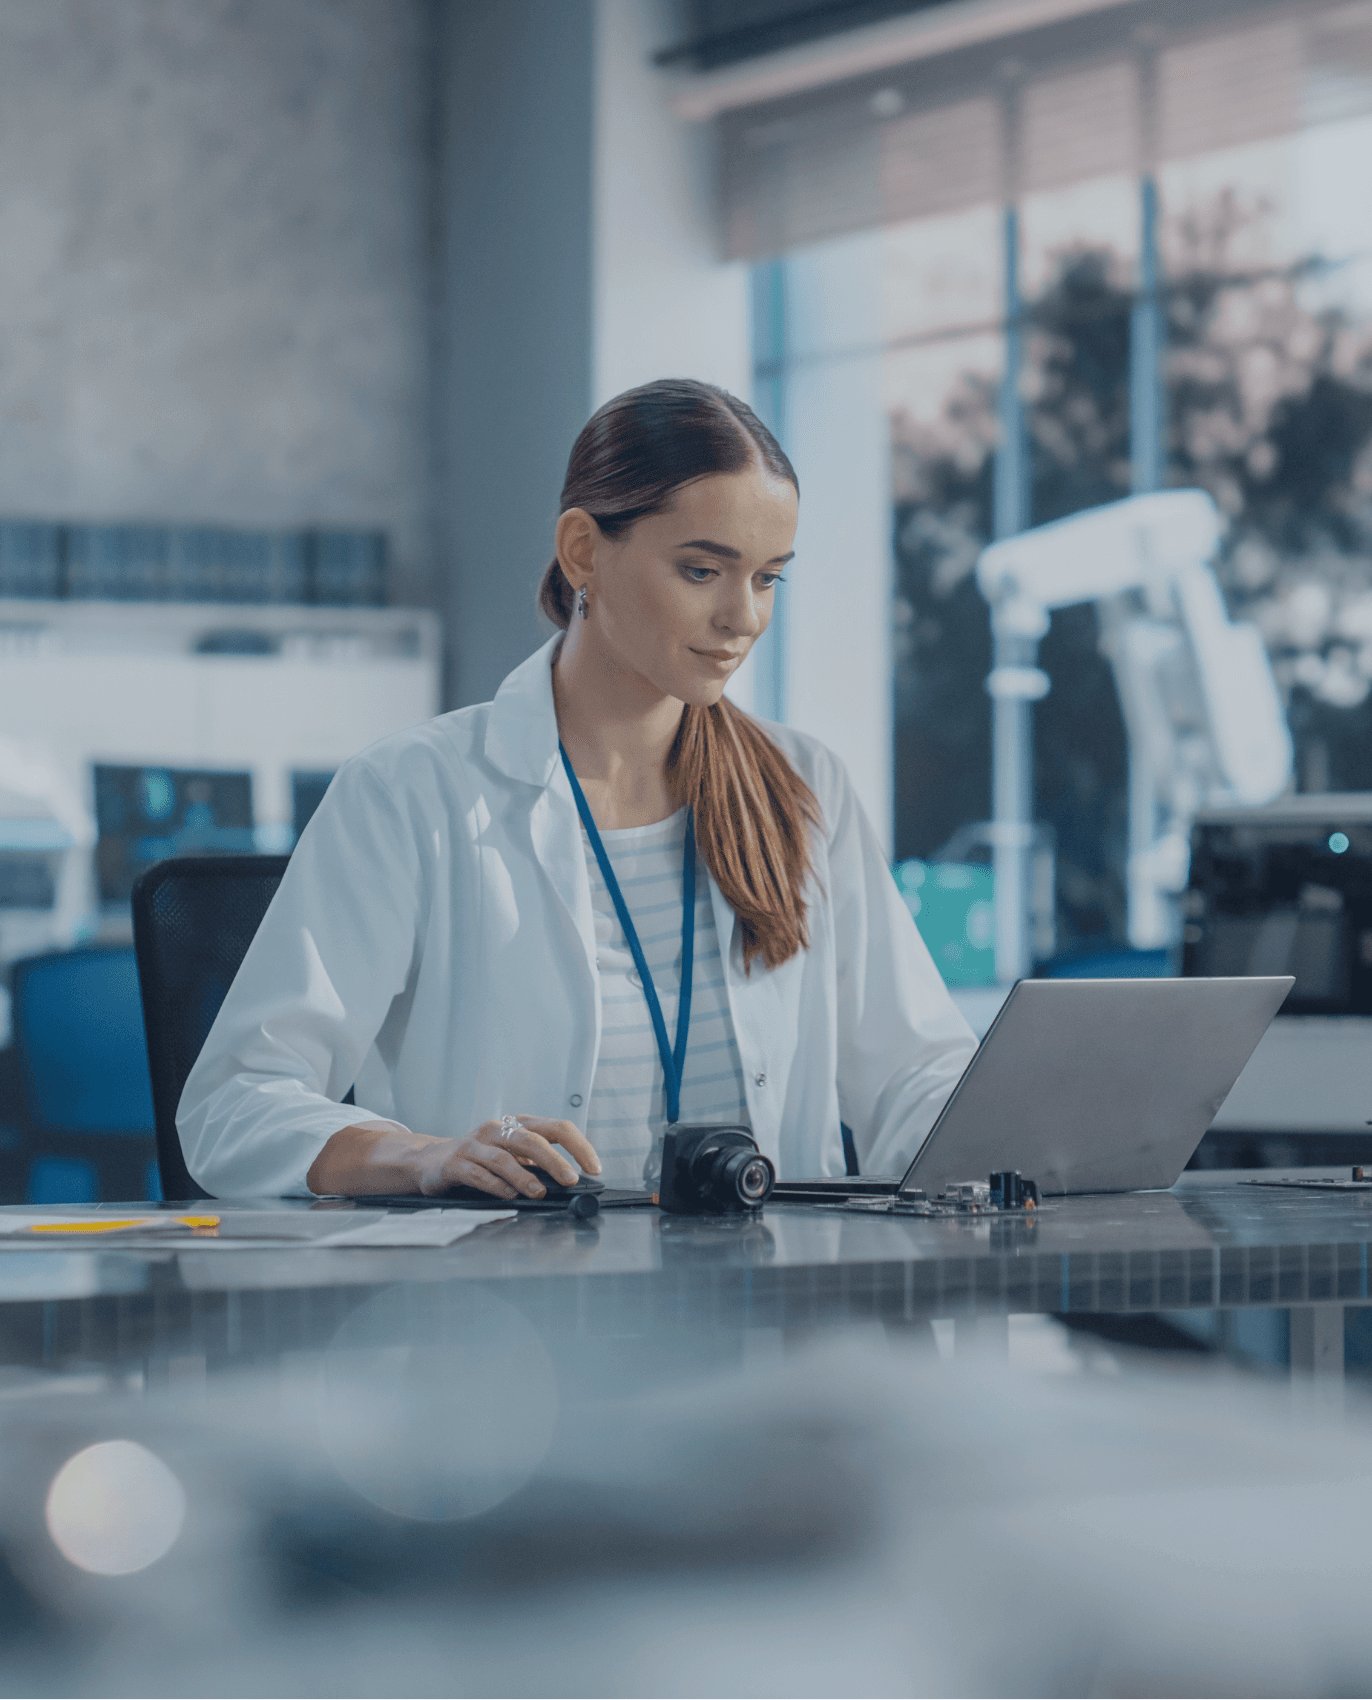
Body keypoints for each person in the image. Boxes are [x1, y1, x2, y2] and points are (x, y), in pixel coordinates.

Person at [177, 379, 977, 1200]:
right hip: (509, 1311)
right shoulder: (411, 795)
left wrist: (1029, 1139)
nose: (743, 618)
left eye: (769, 578)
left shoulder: (805, 788)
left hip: (771, 1310)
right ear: (584, 550)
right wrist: (425, 1157)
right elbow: (235, 1104)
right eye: (702, 570)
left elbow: (913, 1074)